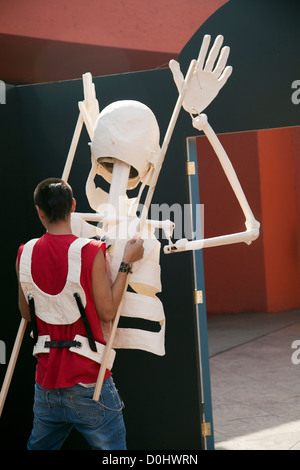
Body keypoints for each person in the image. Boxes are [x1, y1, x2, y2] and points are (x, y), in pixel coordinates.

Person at [16, 177, 144, 450]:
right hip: (89, 382)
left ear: (39, 211)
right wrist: (126, 263)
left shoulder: (24, 252)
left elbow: (26, 312)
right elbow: (107, 311)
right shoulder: (89, 251)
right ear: (73, 206)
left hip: (47, 383)